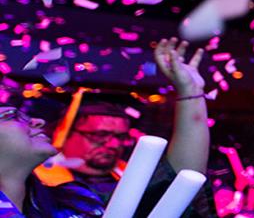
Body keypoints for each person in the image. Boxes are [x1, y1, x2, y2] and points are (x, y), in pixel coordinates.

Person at [0, 37, 214, 216]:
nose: (38, 121)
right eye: (9, 115)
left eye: (119, 136)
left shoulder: (76, 204)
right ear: (68, 133)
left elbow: (178, 185)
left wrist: (191, 92)